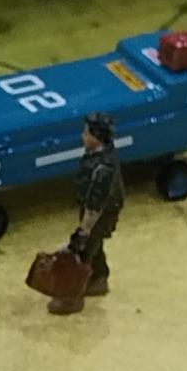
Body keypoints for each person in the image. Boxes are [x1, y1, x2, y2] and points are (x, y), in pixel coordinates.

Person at [51, 113, 124, 316]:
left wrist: (83, 230)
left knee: (83, 252)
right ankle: (99, 278)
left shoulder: (103, 168)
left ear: (97, 136)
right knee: (95, 245)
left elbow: (95, 206)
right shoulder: (99, 153)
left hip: (101, 212)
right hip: (96, 206)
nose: (82, 136)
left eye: (86, 133)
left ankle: (71, 297)